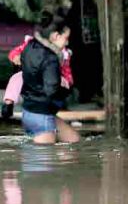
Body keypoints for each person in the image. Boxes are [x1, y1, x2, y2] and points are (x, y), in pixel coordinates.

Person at [15, 14, 81, 145]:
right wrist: (66, 89)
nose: (67, 43)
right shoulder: (51, 58)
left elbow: (19, 74)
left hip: (29, 111)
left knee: (74, 141)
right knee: (44, 157)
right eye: (66, 38)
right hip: (42, 114)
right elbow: (51, 90)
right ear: (55, 36)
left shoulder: (29, 47)